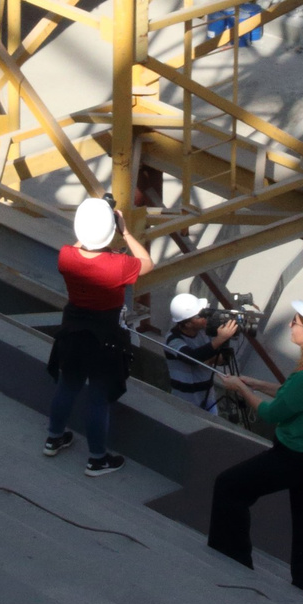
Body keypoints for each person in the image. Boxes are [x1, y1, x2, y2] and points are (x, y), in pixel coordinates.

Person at [211, 295, 303, 602]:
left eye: (297, 322)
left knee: (229, 488)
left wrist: (241, 388)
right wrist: (257, 384)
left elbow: (272, 413)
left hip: (295, 456)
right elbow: (297, 393)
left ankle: (232, 560)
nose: (291, 324)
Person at [45, 196, 149, 475]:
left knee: (68, 385)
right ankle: (97, 458)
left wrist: (97, 229)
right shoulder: (119, 266)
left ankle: (54, 438)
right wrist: (124, 230)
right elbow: (146, 262)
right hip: (105, 336)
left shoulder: (66, 256)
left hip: (72, 331)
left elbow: (81, 246)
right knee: (98, 398)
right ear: (110, 230)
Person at [162, 293, 238, 413]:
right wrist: (219, 340)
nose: (205, 317)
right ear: (187, 323)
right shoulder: (172, 340)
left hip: (208, 397)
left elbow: (221, 359)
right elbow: (192, 358)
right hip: (184, 401)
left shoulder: (203, 332)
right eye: (200, 316)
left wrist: (222, 341)